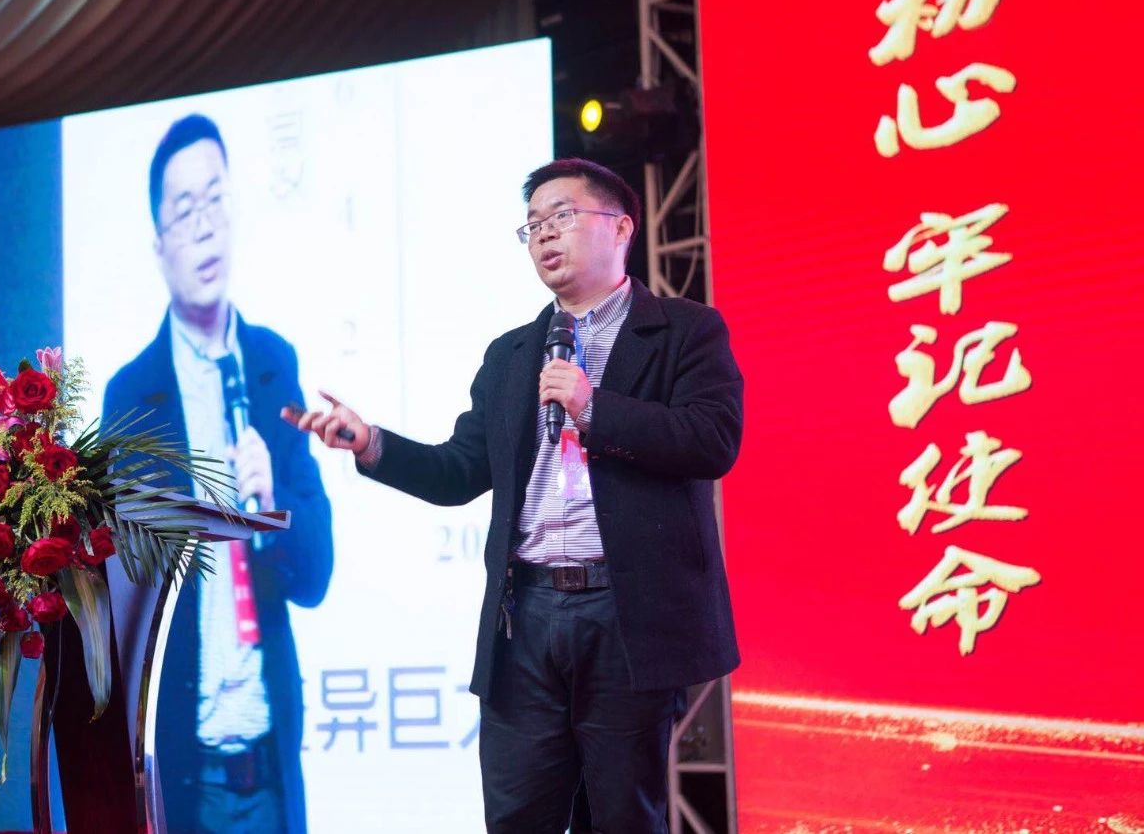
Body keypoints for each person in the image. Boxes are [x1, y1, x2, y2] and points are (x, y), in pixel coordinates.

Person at [292, 158, 743, 833]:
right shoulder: (512, 355)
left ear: (621, 227)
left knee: (624, 818)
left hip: (627, 615)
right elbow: (458, 470)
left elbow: (712, 440)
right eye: (533, 225)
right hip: (524, 617)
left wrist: (594, 408)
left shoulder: (685, 330)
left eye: (562, 215)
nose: (545, 234)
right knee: (515, 818)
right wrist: (371, 443)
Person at [102, 113, 333, 833]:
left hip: (267, 767)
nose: (204, 227)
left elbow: (315, 574)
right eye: (184, 211)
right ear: (158, 244)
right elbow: (127, 582)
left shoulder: (271, 364)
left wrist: (272, 499)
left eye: (215, 201)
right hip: (183, 772)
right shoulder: (133, 394)